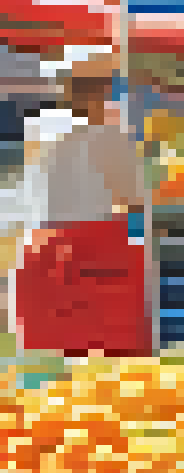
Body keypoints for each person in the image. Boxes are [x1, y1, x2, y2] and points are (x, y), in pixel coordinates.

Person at [14, 52, 148, 356]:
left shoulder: (37, 127)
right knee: (105, 360)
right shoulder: (109, 133)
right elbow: (134, 199)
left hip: (39, 250)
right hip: (95, 254)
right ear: (101, 88)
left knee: (48, 361)